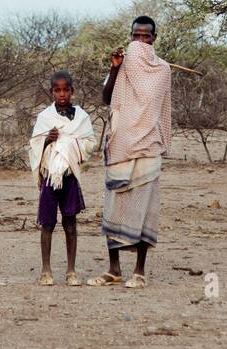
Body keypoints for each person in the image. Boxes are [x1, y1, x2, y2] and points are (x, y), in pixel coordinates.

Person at [87, 15, 171, 289]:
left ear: (154, 38)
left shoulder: (162, 70)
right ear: (131, 36)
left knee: (145, 209)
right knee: (115, 205)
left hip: (148, 144)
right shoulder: (120, 67)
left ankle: (139, 271)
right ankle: (113, 269)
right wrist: (114, 69)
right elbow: (106, 98)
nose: (141, 41)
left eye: (146, 37)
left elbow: (162, 107)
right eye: (136, 36)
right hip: (121, 142)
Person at [28, 70, 96, 287]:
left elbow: (89, 144)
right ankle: (46, 270)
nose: (62, 94)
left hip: (69, 176)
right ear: (51, 92)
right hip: (50, 176)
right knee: (47, 223)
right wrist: (48, 140)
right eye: (57, 90)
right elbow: (34, 145)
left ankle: (71, 270)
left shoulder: (82, 117)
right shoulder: (45, 117)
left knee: (70, 222)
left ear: (72, 91)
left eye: (66, 89)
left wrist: (70, 144)